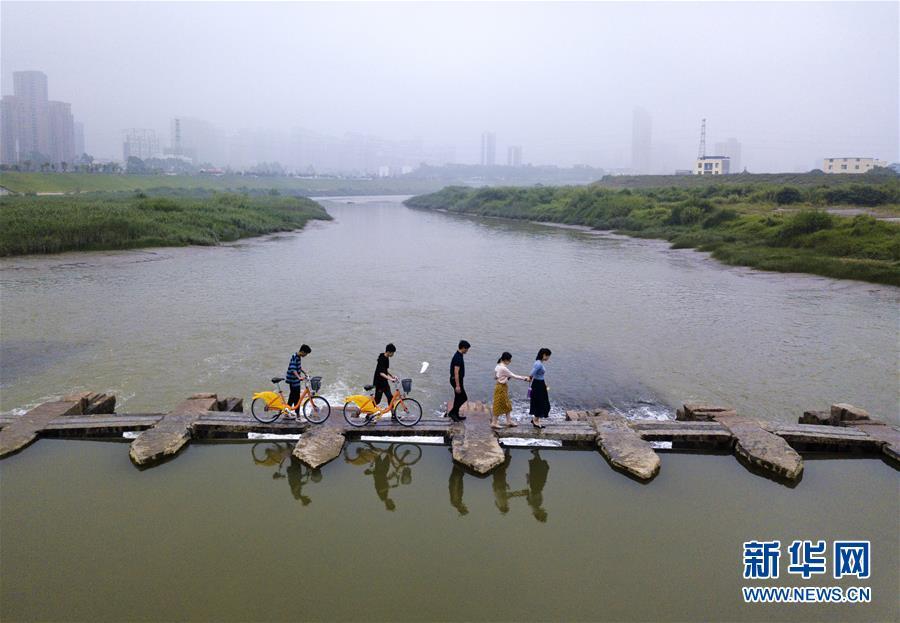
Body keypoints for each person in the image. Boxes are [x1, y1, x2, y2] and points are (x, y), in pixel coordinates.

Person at [491, 352, 530, 429]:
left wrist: (504, 378)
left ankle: (508, 421)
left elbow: (495, 377)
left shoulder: (498, 365)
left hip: (500, 386)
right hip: (501, 387)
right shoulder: (503, 368)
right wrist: (525, 378)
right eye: (509, 360)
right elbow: (514, 376)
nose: (510, 362)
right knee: (498, 404)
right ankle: (494, 422)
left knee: (507, 404)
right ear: (505, 360)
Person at [447, 340, 470, 422]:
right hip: (456, 380)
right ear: (463, 348)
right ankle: (452, 413)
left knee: (458, 398)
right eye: (467, 349)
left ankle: (456, 414)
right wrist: (457, 385)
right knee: (463, 398)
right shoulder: (458, 357)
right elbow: (456, 372)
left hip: (458, 380)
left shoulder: (459, 355)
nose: (467, 351)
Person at [529, 347, 552, 428]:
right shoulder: (538, 363)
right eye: (548, 356)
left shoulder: (540, 363)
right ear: (544, 355)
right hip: (537, 385)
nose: (548, 358)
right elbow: (531, 373)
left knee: (543, 402)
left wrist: (545, 383)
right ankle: (535, 420)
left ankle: (536, 419)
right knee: (540, 402)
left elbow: (540, 375)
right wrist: (529, 378)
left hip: (541, 384)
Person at [285, 344, 311, 416]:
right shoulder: (295, 357)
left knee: (293, 396)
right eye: (306, 354)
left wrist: (304, 372)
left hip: (295, 380)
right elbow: (293, 369)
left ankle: (288, 412)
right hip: (293, 380)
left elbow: (298, 367)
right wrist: (299, 377)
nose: (306, 355)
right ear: (302, 351)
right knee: (296, 397)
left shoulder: (298, 357)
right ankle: (297, 414)